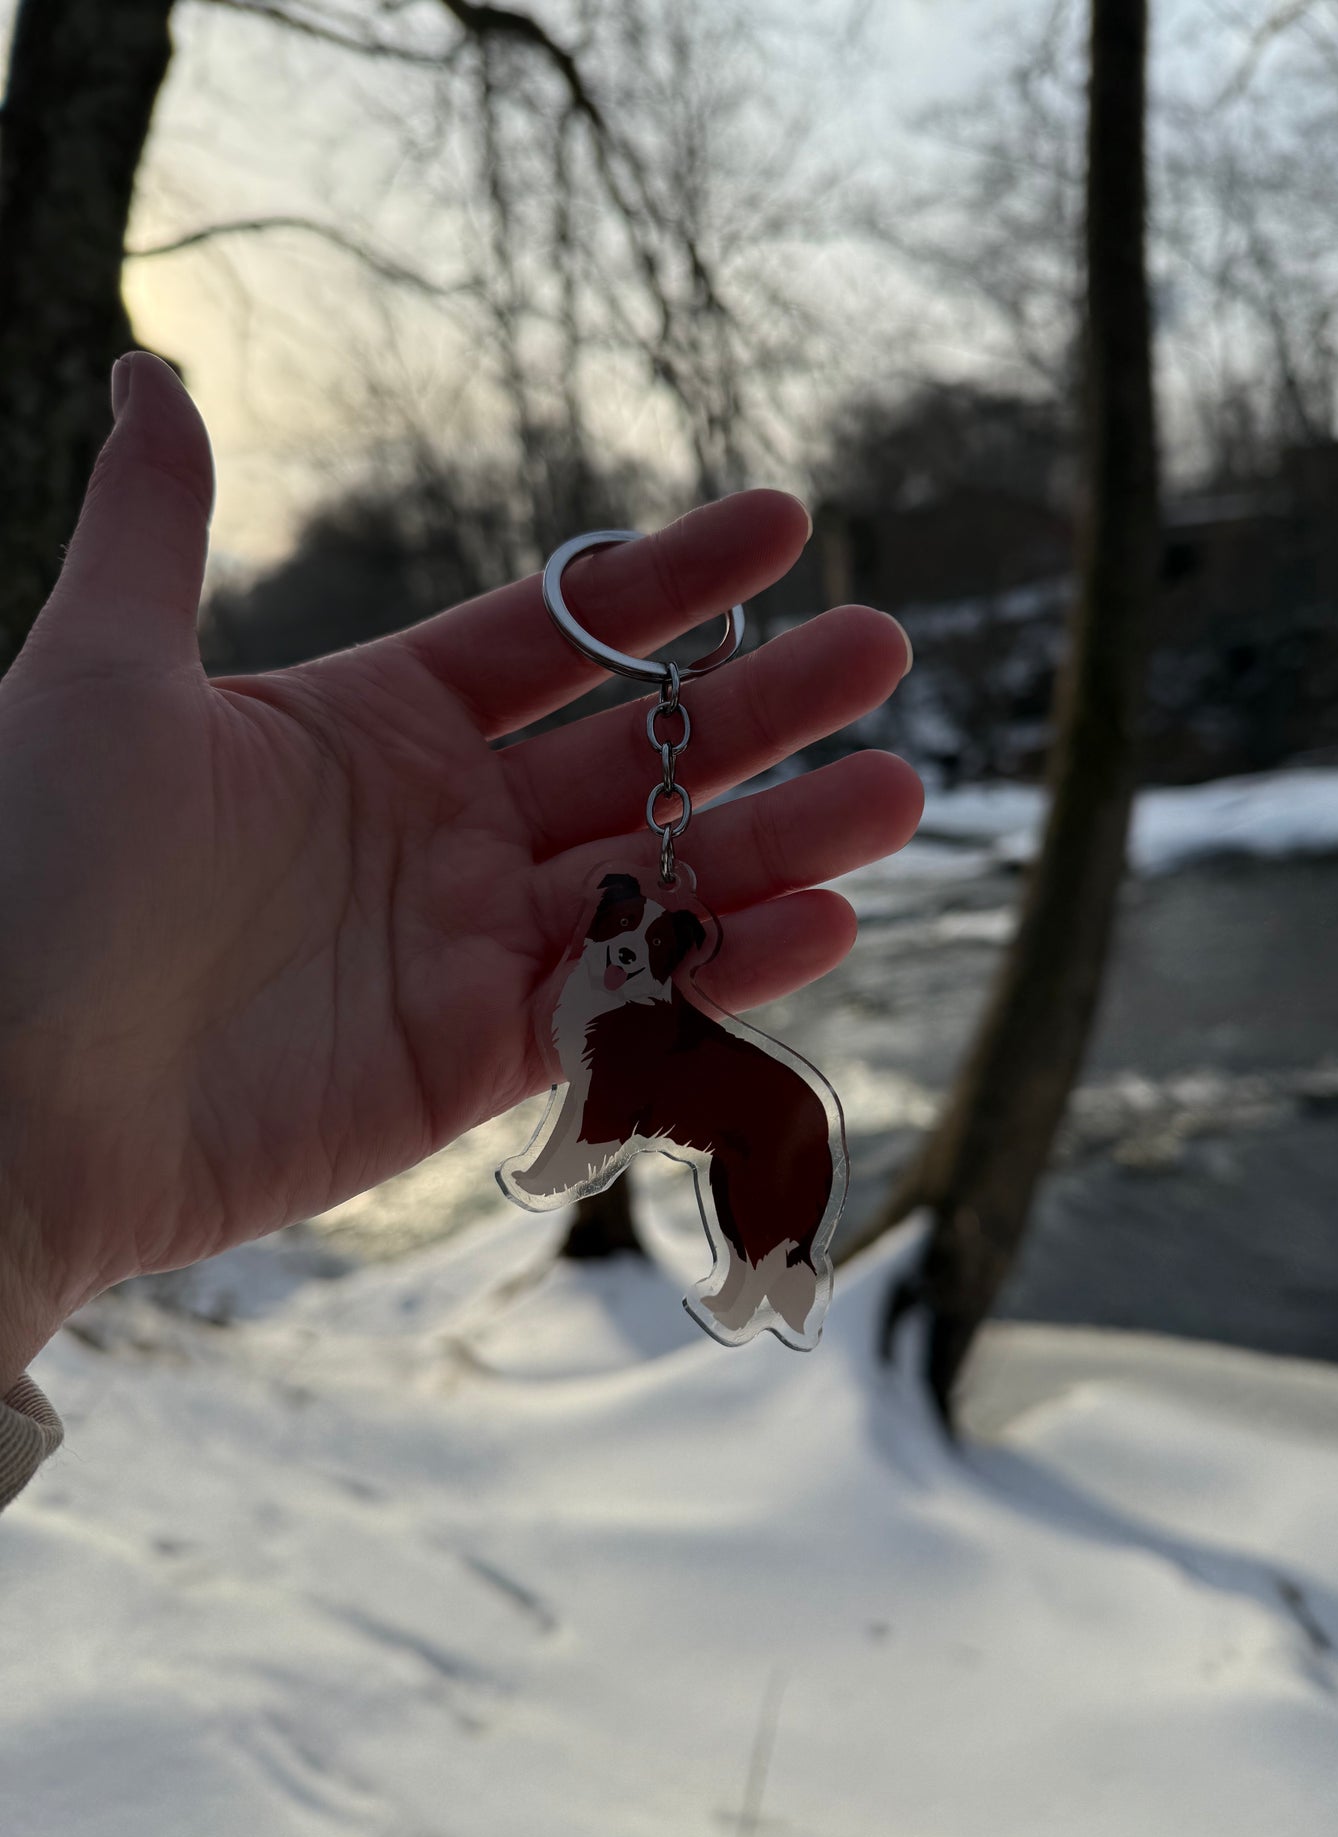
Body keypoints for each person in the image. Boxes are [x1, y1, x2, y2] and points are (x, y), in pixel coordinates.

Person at [0, 353, 921, 1507]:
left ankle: (763, 1278)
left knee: (760, 1183)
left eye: (631, 955)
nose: (615, 960)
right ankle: (760, 1280)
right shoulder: (596, 985)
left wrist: (24, 1183)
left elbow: (602, 1101)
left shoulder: (625, 1007)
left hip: (750, 1114)